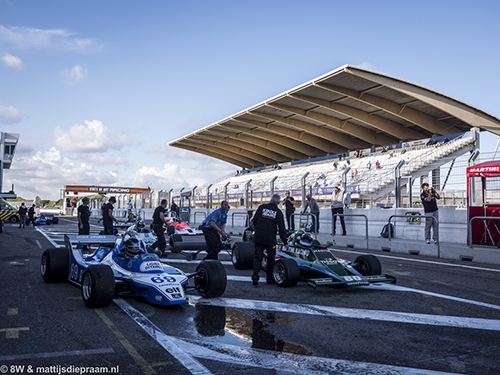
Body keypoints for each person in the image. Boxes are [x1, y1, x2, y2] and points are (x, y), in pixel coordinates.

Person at [251, 194, 289, 286]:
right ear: (278, 202)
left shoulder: (261, 207)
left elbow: (254, 221)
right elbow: (281, 229)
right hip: (270, 239)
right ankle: (269, 278)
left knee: (257, 257)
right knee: (271, 258)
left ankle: (255, 276)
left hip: (259, 237)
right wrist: (285, 242)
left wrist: (259, 229)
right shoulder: (278, 212)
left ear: (270, 200)